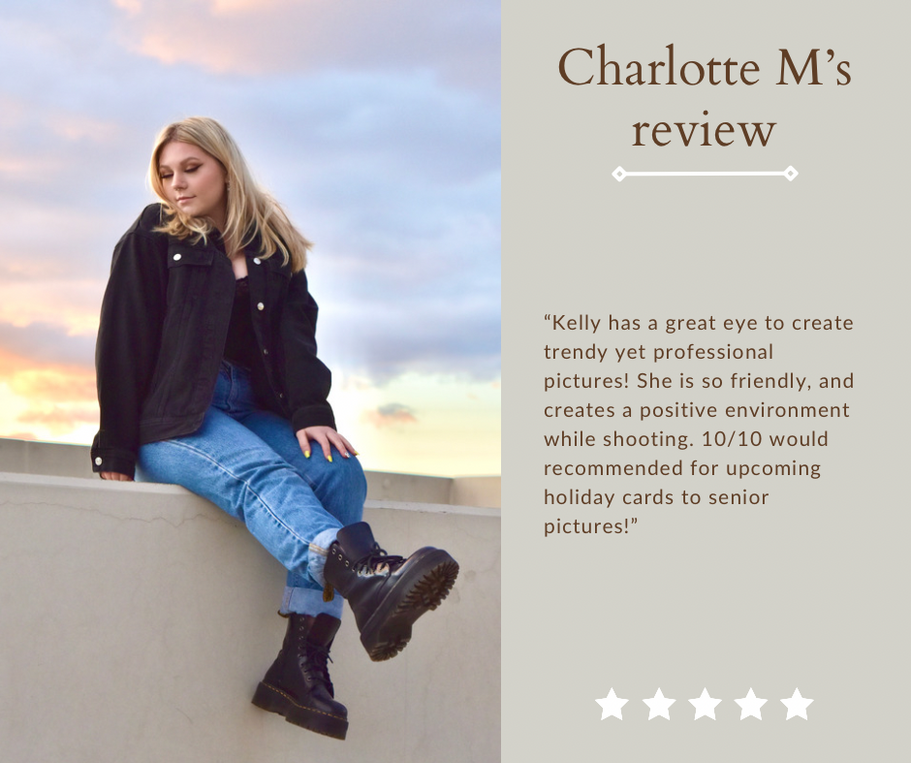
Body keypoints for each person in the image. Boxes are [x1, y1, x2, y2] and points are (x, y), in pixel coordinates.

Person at [91, 116, 459, 741]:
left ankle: (300, 660)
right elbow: (120, 341)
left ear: (225, 167)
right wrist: (116, 448)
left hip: (249, 407)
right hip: (175, 416)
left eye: (191, 169)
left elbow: (296, 344)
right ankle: (363, 576)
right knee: (262, 475)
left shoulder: (272, 246)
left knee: (336, 469)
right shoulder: (153, 236)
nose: (176, 184)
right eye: (166, 173)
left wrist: (314, 415)